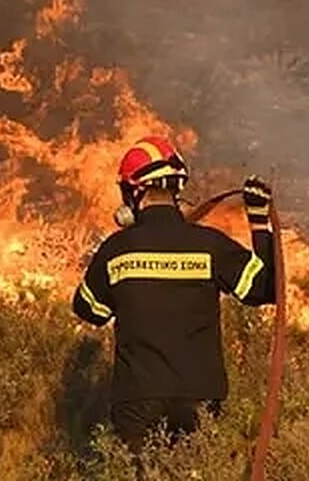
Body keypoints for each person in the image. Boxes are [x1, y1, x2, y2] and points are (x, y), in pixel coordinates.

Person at [71, 135, 277, 455]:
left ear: (134, 191)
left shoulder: (116, 250)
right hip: (201, 398)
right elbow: (263, 289)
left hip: (138, 400)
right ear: (176, 189)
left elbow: (88, 310)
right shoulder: (210, 245)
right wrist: (260, 223)